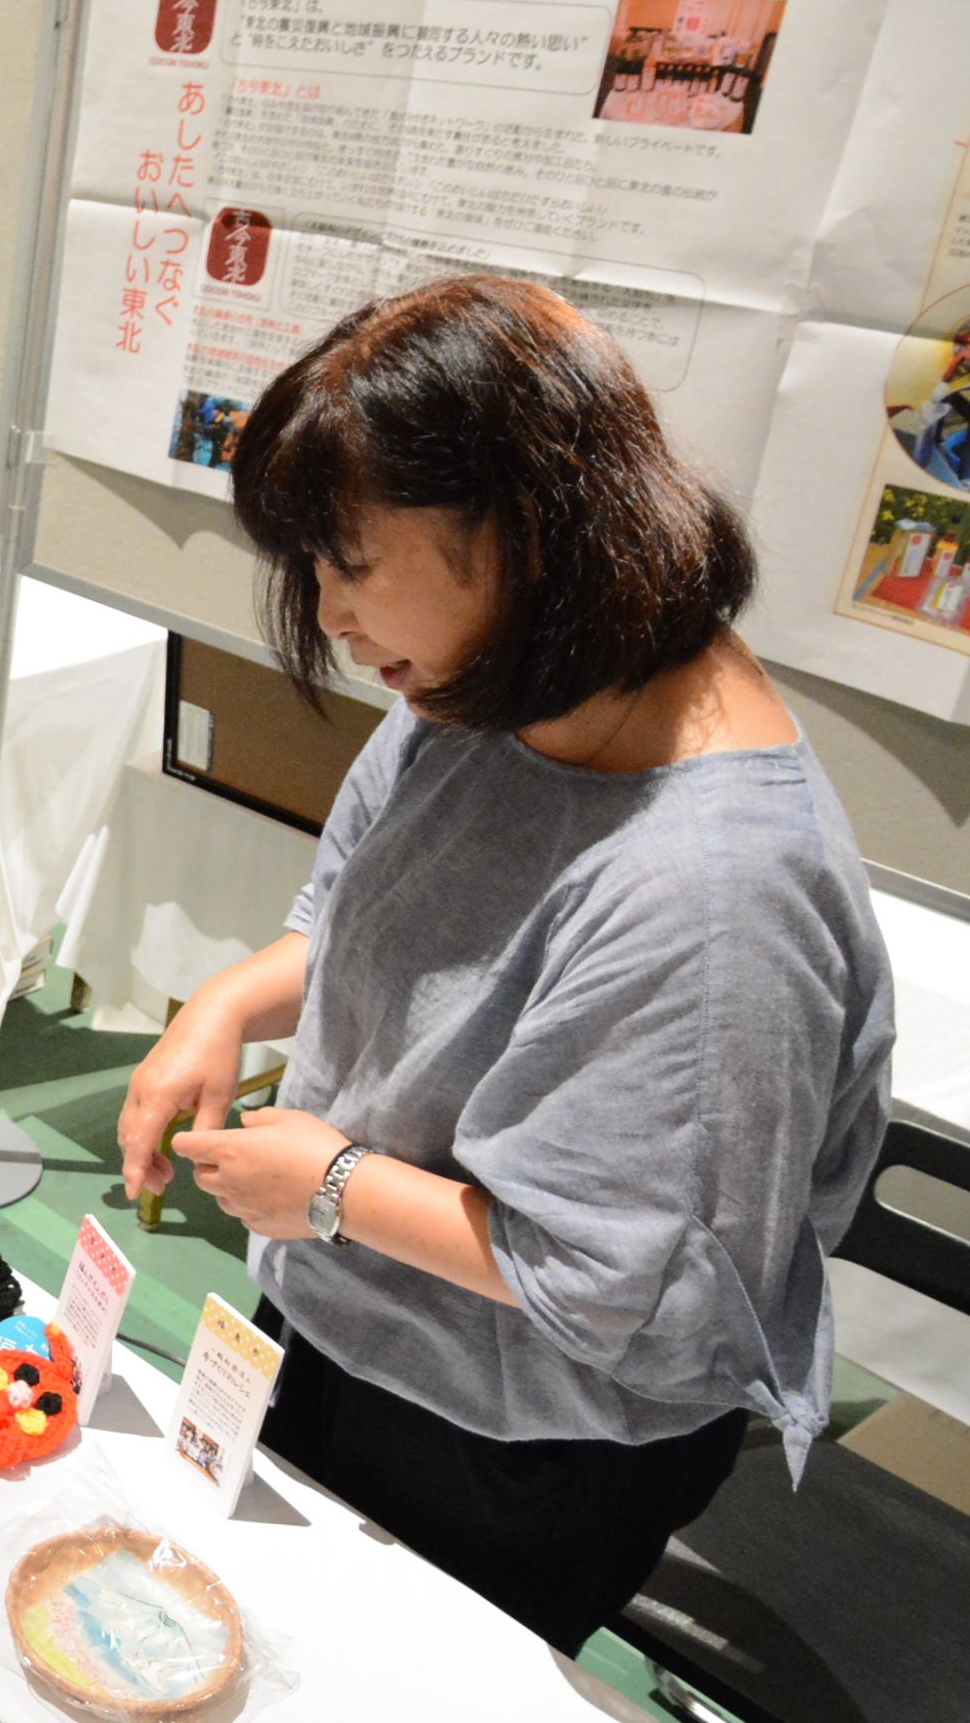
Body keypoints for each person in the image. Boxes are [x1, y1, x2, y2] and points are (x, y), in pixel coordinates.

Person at [116, 275, 894, 1657]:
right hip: (352, 1301)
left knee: (377, 1672)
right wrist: (234, 1000)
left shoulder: (718, 895)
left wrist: (334, 1183)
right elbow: (362, 901)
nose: (331, 617)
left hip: (526, 1424)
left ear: (526, 528)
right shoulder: (502, 676)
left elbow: (619, 1283)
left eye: (350, 565)